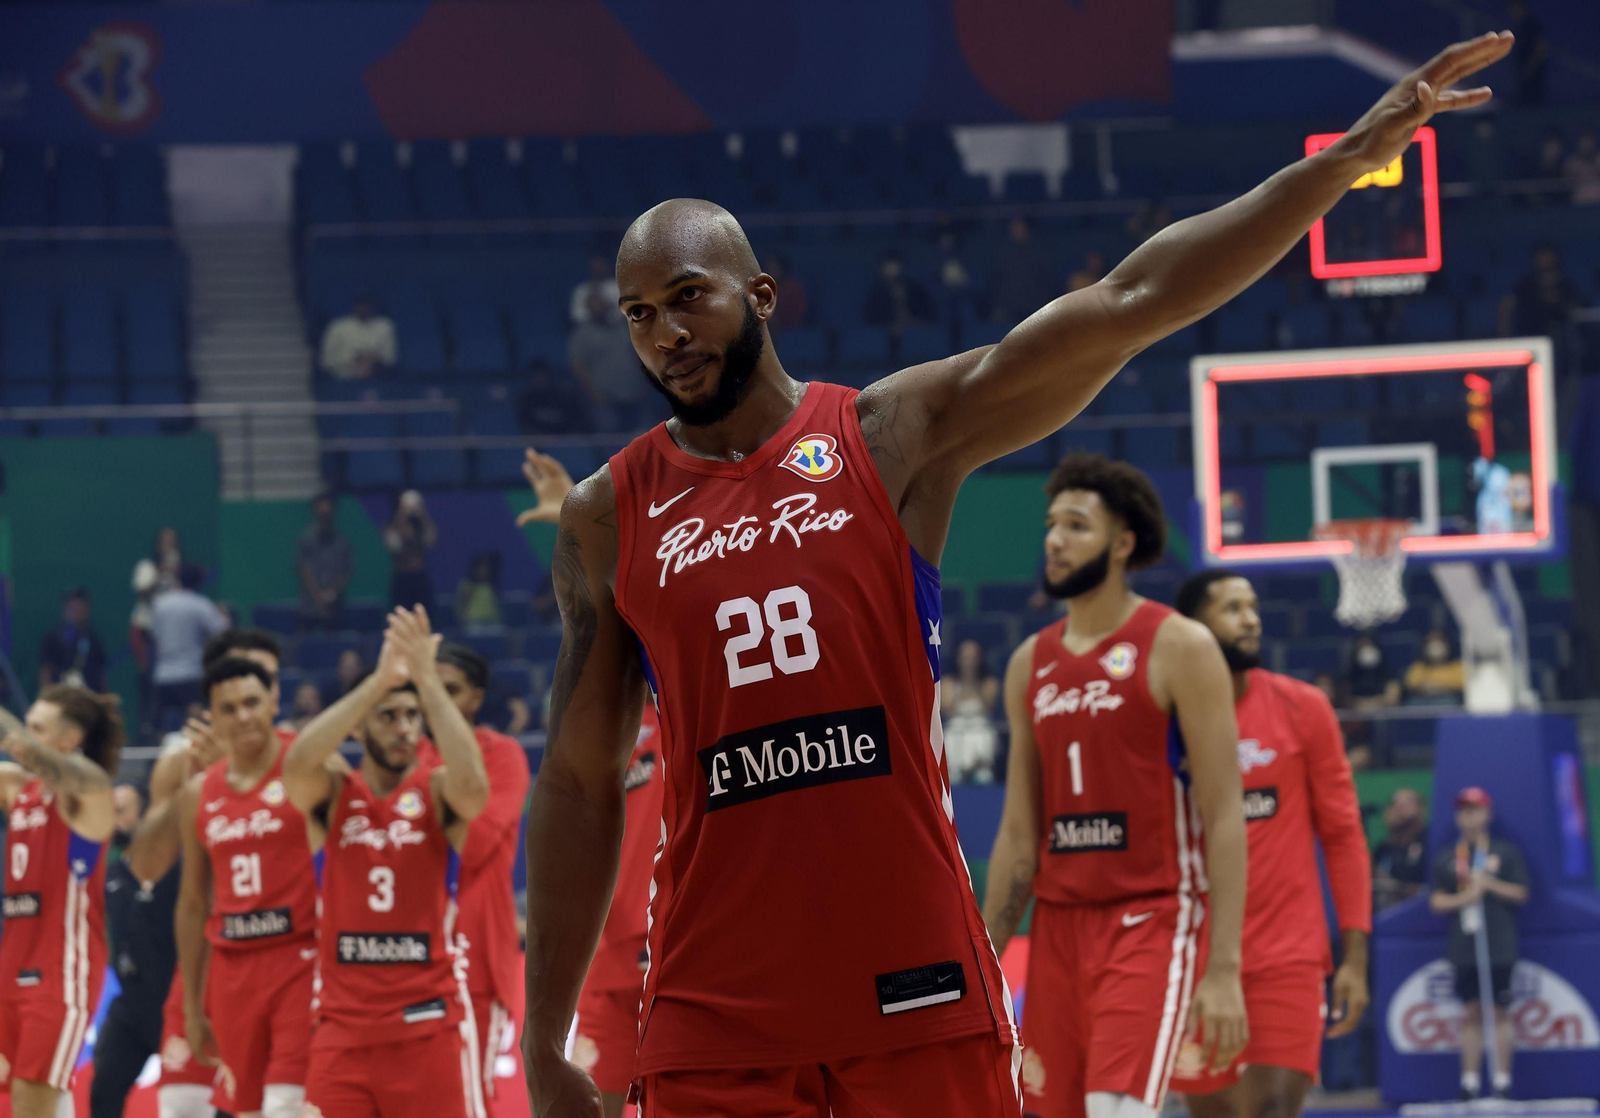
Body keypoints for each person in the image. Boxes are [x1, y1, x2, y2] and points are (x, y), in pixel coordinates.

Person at [521, 34, 1513, 1118]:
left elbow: (1135, 298)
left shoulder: (888, 436)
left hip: (914, 985)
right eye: (638, 315)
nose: (665, 334)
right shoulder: (608, 513)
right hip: (714, 1012)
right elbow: (578, 782)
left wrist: (1338, 165)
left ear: (760, 293)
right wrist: (540, 1036)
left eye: (687, 298)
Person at [982, 456, 1248, 1118]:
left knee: (1118, 1110)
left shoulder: (1180, 645)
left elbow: (1223, 815)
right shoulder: (1028, 664)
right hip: (1058, 930)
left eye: (1076, 525)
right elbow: (1019, 831)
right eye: (1051, 525)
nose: (1054, 539)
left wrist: (1224, 969)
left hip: (1151, 916)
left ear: (1122, 543)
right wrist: (986, 959)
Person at [1168, 570, 1373, 1118]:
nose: (1251, 618)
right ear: (1191, 627)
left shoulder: (1304, 708)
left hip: (1289, 960)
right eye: (1232, 608)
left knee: (1273, 1110)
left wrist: (1354, 957)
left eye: (1253, 606)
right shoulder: (1163, 722)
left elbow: (1344, 834)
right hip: (1197, 961)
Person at [283, 607, 490, 1118]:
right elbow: (296, 766)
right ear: (359, 727)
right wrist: (378, 682)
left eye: (411, 716)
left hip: (426, 1027)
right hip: (343, 1032)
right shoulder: (333, 791)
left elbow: (475, 791)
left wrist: (425, 679)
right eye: (388, 716)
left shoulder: (438, 790)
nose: (403, 728)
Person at [131, 627, 287, 1118]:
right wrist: (197, 786)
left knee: (278, 1105)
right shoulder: (181, 764)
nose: (249, 688)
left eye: (265, 680)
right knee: (181, 1107)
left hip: (286, 960)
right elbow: (146, 869)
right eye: (235, 679)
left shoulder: (302, 759)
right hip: (210, 960)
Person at [175, 656, 318, 1118]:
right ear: (212, 717)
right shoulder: (199, 792)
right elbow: (193, 902)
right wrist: (193, 1009)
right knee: (249, 1110)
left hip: (301, 959)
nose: (243, 716)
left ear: (274, 700)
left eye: (252, 702)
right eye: (229, 707)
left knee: (288, 1106)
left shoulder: (309, 764)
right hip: (232, 972)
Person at [0, 685, 123, 1118]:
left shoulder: (89, 792)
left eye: (37, 727)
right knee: (42, 1104)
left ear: (70, 741)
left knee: (31, 1106)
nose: (23, 736)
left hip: (59, 975)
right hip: (11, 971)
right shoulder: (20, 788)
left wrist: (11, 729)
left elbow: (17, 742)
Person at [421, 641, 533, 1116]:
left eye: (451, 691)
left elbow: (475, 844)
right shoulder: (404, 757)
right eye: (431, 690)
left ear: (475, 698)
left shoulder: (503, 755)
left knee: (471, 1101)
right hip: (411, 954)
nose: (438, 702)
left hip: (478, 954)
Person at [570, 701, 663, 1118]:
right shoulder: (594, 734)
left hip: (674, 942)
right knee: (590, 1104)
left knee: (684, 1099)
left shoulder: (689, 707)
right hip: (605, 955)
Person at [1430, 787, 1530, 1100]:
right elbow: (1436, 901)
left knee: (1499, 1009)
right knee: (1470, 1010)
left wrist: (1488, 884)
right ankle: (1470, 1081)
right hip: (1464, 945)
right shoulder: (1448, 857)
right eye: (1463, 811)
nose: (1468, 817)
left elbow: (1521, 893)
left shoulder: (1504, 851)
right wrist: (1466, 897)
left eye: (1474, 810)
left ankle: (1502, 1079)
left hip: (1499, 944)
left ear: (1487, 813)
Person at [92, 782, 182, 1118]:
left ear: (145, 817)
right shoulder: (111, 874)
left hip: (177, 1002)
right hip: (131, 1003)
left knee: (198, 1101)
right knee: (103, 1090)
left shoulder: (180, 869)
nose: (113, 822)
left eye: (121, 812)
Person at [152, 564, 229, 733]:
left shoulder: (161, 604)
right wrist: (224, 615)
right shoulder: (201, 605)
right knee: (196, 724)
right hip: (191, 675)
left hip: (163, 676)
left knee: (162, 728)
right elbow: (222, 631)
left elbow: (154, 636)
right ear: (200, 582)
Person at [569, 288, 653, 432]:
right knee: (612, 442)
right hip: (605, 399)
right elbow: (578, 366)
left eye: (600, 303)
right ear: (588, 308)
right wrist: (593, 393)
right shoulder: (582, 334)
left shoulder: (625, 327)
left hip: (635, 394)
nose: (598, 307)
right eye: (593, 305)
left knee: (642, 440)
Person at [940, 638, 1000, 785]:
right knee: (954, 732)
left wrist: (972, 680)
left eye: (973, 657)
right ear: (958, 659)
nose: (969, 662)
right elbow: (948, 707)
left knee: (981, 733)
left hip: (980, 726)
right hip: (956, 727)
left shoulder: (989, 683)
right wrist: (964, 682)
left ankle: (982, 771)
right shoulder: (948, 682)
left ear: (979, 659)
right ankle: (954, 772)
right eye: (966, 657)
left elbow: (988, 706)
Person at [298, 492, 354, 632]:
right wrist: (318, 597)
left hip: (335, 608)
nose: (325, 512)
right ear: (315, 510)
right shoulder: (306, 539)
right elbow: (303, 570)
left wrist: (332, 593)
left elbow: (347, 571)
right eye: (321, 508)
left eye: (328, 508)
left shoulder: (342, 541)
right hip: (309, 607)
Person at [1499, 243, 1581, 339]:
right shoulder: (1524, 286)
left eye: (1548, 257)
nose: (1545, 261)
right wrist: (1505, 340)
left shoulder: (1566, 286)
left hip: (1562, 341)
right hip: (1531, 339)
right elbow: (1506, 308)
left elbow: (1576, 312)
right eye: (1541, 257)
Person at [38, 587, 108, 692]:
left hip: (88, 696)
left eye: (82, 608)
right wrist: (46, 695)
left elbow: (101, 674)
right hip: (60, 695)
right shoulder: (53, 637)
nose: (78, 612)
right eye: (73, 608)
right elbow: (46, 669)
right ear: (65, 609)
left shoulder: (93, 639)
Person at [989, 216, 1057, 322]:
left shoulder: (1039, 252)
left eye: (1020, 227)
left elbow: (1047, 280)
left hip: (1035, 309)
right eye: (1014, 227)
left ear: (1026, 228)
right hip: (1010, 310)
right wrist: (998, 307)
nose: (1017, 230)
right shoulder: (1002, 254)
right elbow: (996, 282)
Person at [1373, 788, 1430, 912]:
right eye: (1395, 804)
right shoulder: (1384, 848)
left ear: (1421, 809)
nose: (1400, 808)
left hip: (1416, 912)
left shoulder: (1428, 842)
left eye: (1407, 803)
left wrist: (1401, 888)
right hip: (1384, 913)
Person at [319, 294, 397, 380]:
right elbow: (326, 362)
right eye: (361, 305)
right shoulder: (337, 327)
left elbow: (390, 360)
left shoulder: (384, 326)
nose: (364, 309)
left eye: (366, 306)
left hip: (376, 380)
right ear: (355, 306)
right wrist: (354, 360)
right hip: (342, 381)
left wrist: (371, 360)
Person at [385, 489, 439, 611]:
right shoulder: (392, 528)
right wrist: (401, 514)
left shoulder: (423, 528)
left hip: (420, 579)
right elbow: (393, 545)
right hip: (402, 581)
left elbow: (432, 539)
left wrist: (422, 514)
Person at [863, 251, 936, 335]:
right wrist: (890, 326)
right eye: (887, 268)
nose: (891, 273)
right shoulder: (876, 295)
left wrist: (915, 324)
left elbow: (931, 316)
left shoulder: (916, 290)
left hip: (917, 336)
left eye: (894, 268)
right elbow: (870, 320)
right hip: (885, 339)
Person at [517, 357, 592, 435]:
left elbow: (579, 424)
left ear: (549, 375)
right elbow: (524, 426)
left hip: (566, 443)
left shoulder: (566, 397)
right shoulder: (525, 399)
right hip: (536, 445)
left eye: (542, 375)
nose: (539, 379)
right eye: (535, 376)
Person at [1404, 629, 1466, 705]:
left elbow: (1462, 683)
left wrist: (1439, 686)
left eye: (1439, 642)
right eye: (1431, 642)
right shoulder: (1419, 667)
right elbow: (1411, 683)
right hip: (1423, 700)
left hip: (1448, 700)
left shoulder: (1457, 666)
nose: (1435, 646)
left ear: (1447, 645)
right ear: (1425, 647)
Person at [1345, 635, 1401, 710]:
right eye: (1362, 647)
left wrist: (1368, 704)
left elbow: (1392, 698)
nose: (1366, 650)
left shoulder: (1388, 672)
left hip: (1384, 718)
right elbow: (1347, 702)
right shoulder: (1350, 675)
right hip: (1358, 719)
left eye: (1369, 645)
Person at [456, 553, 505, 629]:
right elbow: (458, 610)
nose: (483, 571)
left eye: (486, 568)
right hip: (473, 624)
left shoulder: (490, 587)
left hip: (492, 623)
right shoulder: (466, 586)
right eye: (481, 568)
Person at [570, 255, 622, 326]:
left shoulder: (618, 287)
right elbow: (576, 315)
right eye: (595, 265)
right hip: (589, 328)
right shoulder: (582, 290)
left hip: (614, 328)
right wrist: (592, 311)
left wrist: (607, 308)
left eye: (600, 265)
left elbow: (624, 313)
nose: (597, 268)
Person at [764, 255, 809, 332]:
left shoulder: (793, 287)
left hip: (789, 330)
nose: (772, 270)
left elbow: (799, 313)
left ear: (781, 268)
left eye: (775, 267)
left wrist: (780, 323)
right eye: (770, 266)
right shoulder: (763, 286)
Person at [1566, 131, 1600, 206]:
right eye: (1584, 143)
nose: (1587, 146)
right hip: (1580, 205)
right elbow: (1568, 185)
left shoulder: (1599, 160)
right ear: (1579, 144)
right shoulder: (1572, 164)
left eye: (1589, 143)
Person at [154, 526, 185, 592]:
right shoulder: (148, 568)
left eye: (171, 542)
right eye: (165, 542)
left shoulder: (184, 573)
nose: (169, 547)